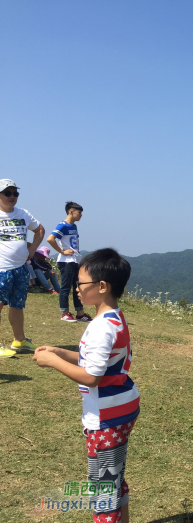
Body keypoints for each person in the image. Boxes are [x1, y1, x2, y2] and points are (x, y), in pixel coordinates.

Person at [33, 248, 139, 523]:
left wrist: (51, 362)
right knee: (113, 477)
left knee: (103, 488)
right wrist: (59, 352)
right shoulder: (114, 317)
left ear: (102, 286)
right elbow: (96, 362)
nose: (75, 289)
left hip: (106, 417)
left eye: (80, 284)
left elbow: (91, 376)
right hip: (122, 406)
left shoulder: (101, 327)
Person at [0, 179, 45, 357]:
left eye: (15, 193)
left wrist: (32, 250)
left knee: (17, 305)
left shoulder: (23, 213)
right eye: (7, 193)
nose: (12, 197)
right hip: (1, 269)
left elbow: (39, 229)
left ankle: (19, 341)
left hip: (20, 269)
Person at [47, 202, 91, 322]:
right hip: (66, 261)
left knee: (78, 286)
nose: (81, 215)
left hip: (75, 260)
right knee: (65, 287)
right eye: (79, 212)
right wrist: (62, 251)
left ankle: (80, 313)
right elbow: (50, 239)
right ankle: (65, 312)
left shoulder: (74, 226)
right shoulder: (63, 225)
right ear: (71, 211)